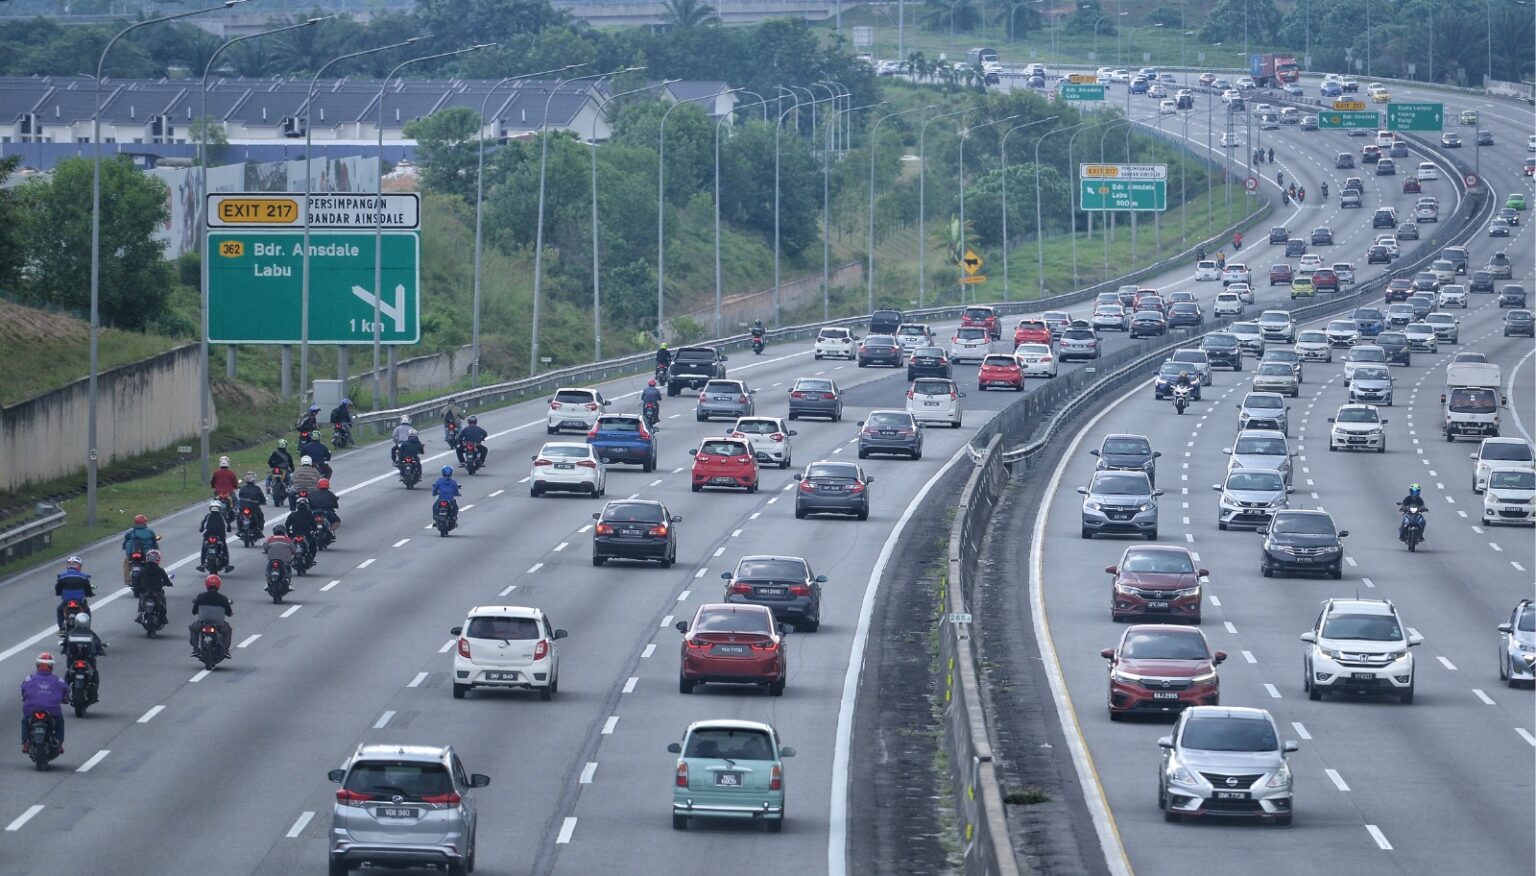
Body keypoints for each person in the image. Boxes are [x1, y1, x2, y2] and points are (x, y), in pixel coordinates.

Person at [20, 652, 68, 754]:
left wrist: (26, 698)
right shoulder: (58, 680)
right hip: (52, 711)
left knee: (25, 722)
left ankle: (26, 742)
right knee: (60, 722)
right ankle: (59, 743)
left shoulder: (30, 678)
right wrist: (64, 699)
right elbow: (66, 690)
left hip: (31, 709)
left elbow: (23, 689)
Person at [189, 575, 233, 658]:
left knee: (193, 628)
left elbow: (194, 611)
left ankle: (195, 649)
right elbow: (229, 613)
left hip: (203, 622)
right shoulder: (223, 598)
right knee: (228, 630)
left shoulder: (200, 596)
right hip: (218, 623)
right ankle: (226, 650)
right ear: (218, 585)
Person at [132, 549, 173, 626]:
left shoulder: (143, 570)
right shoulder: (160, 570)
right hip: (156, 591)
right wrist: (169, 583)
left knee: (141, 599)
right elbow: (167, 580)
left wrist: (137, 587)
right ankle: (163, 617)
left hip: (145, 591)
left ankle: (140, 615)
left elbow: (137, 580)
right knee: (162, 601)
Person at [55, 557, 94, 634]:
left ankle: (61, 628)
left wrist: (58, 593)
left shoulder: (62, 576)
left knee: (59, 610)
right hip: (79, 602)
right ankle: (88, 628)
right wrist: (90, 594)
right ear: (79, 566)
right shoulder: (83, 576)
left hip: (66, 602)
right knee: (87, 611)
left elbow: (58, 588)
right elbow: (88, 588)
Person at [197, 500, 233, 573]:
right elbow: (227, 525)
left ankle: (202, 564)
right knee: (224, 549)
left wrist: (201, 529)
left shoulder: (209, 516)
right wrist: (229, 529)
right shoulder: (221, 516)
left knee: (204, 549)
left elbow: (203, 524)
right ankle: (227, 564)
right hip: (217, 536)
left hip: (213, 536)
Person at [121, 514, 158, 585]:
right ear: (144, 522)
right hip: (146, 553)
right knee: (154, 563)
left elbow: (125, 542)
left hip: (132, 553)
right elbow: (154, 542)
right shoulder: (150, 531)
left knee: (126, 563)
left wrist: (125, 548)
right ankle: (154, 578)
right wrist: (156, 550)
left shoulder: (130, 532)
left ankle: (127, 580)